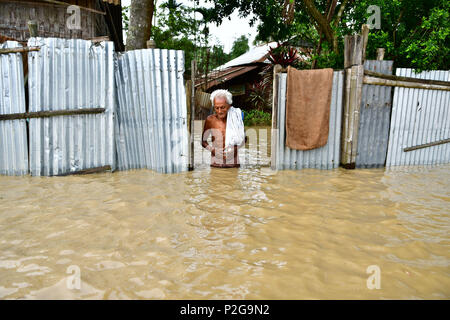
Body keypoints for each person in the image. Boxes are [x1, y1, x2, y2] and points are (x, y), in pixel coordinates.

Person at [201, 89, 245, 168]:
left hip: (233, 165)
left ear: (229, 105)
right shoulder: (210, 120)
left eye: (222, 107)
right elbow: (203, 142)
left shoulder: (236, 117)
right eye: (216, 108)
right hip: (216, 165)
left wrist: (235, 149)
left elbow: (244, 139)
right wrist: (213, 150)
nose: (219, 111)